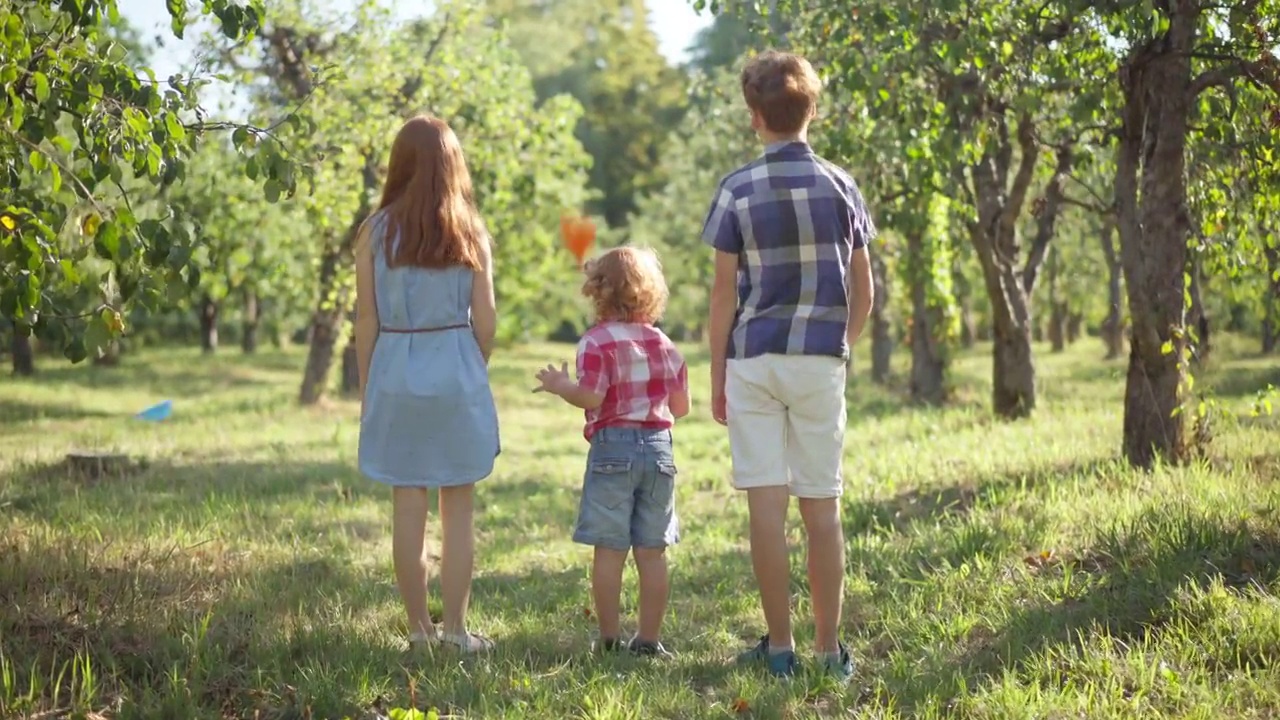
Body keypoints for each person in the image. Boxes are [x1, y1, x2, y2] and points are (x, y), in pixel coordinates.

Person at [700, 50, 876, 682]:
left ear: (755, 117)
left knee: (766, 511)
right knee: (822, 509)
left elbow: (723, 296)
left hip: (753, 360)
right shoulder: (841, 185)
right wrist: (841, 345)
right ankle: (830, 652)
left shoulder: (736, 189)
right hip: (817, 361)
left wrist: (717, 373)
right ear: (813, 110)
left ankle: (780, 648)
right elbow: (865, 290)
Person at [354, 114, 500, 654]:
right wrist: (469, 365)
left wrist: (370, 388)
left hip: (395, 368)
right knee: (457, 510)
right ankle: (457, 632)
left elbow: (365, 319)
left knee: (407, 507)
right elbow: (486, 321)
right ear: (452, 165)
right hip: (455, 365)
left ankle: (418, 632)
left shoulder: (373, 232)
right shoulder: (471, 230)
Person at [532, 246, 689, 658]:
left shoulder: (596, 342)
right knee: (652, 551)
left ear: (596, 291)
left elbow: (590, 397)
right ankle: (649, 640)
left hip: (612, 449)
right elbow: (682, 407)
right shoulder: (665, 344)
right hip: (659, 449)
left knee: (610, 548)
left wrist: (559, 385)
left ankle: (608, 639)